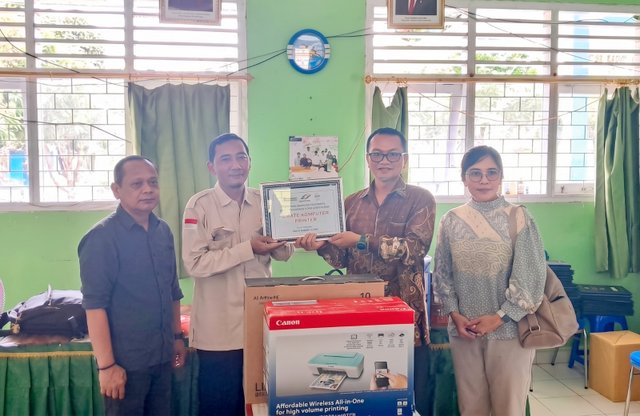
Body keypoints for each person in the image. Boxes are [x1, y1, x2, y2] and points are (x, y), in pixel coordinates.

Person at [296, 127, 435, 415]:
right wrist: (320, 246)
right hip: (360, 312)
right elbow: (340, 260)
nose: (384, 161)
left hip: (403, 314)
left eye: (393, 154)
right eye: (377, 154)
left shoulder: (420, 199)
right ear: (368, 159)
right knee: (363, 392)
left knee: (403, 394)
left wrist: (361, 240)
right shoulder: (351, 202)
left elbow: (414, 249)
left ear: (404, 160)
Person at [182, 133, 294, 416]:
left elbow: (284, 254)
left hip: (261, 323)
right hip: (218, 331)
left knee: (260, 405)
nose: (235, 165)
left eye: (241, 157)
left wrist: (290, 240)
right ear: (212, 167)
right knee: (220, 405)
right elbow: (195, 264)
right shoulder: (199, 205)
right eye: (226, 159)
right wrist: (248, 248)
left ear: (250, 162)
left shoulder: (266, 201)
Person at [432, 145, 546, 416]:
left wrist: (499, 317)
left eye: (491, 172)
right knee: (471, 407)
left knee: (509, 407)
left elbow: (530, 275)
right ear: (464, 178)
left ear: (500, 176)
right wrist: (455, 315)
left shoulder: (519, 217)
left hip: (509, 331)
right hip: (465, 332)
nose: (484, 180)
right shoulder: (451, 221)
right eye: (475, 173)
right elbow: (442, 273)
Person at [78, 155, 185, 416]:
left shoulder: (163, 231)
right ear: (116, 190)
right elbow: (94, 306)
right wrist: (107, 367)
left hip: (162, 358)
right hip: (125, 366)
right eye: (137, 184)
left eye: (153, 182)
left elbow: (172, 291)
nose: (147, 189)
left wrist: (176, 338)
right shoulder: (101, 238)